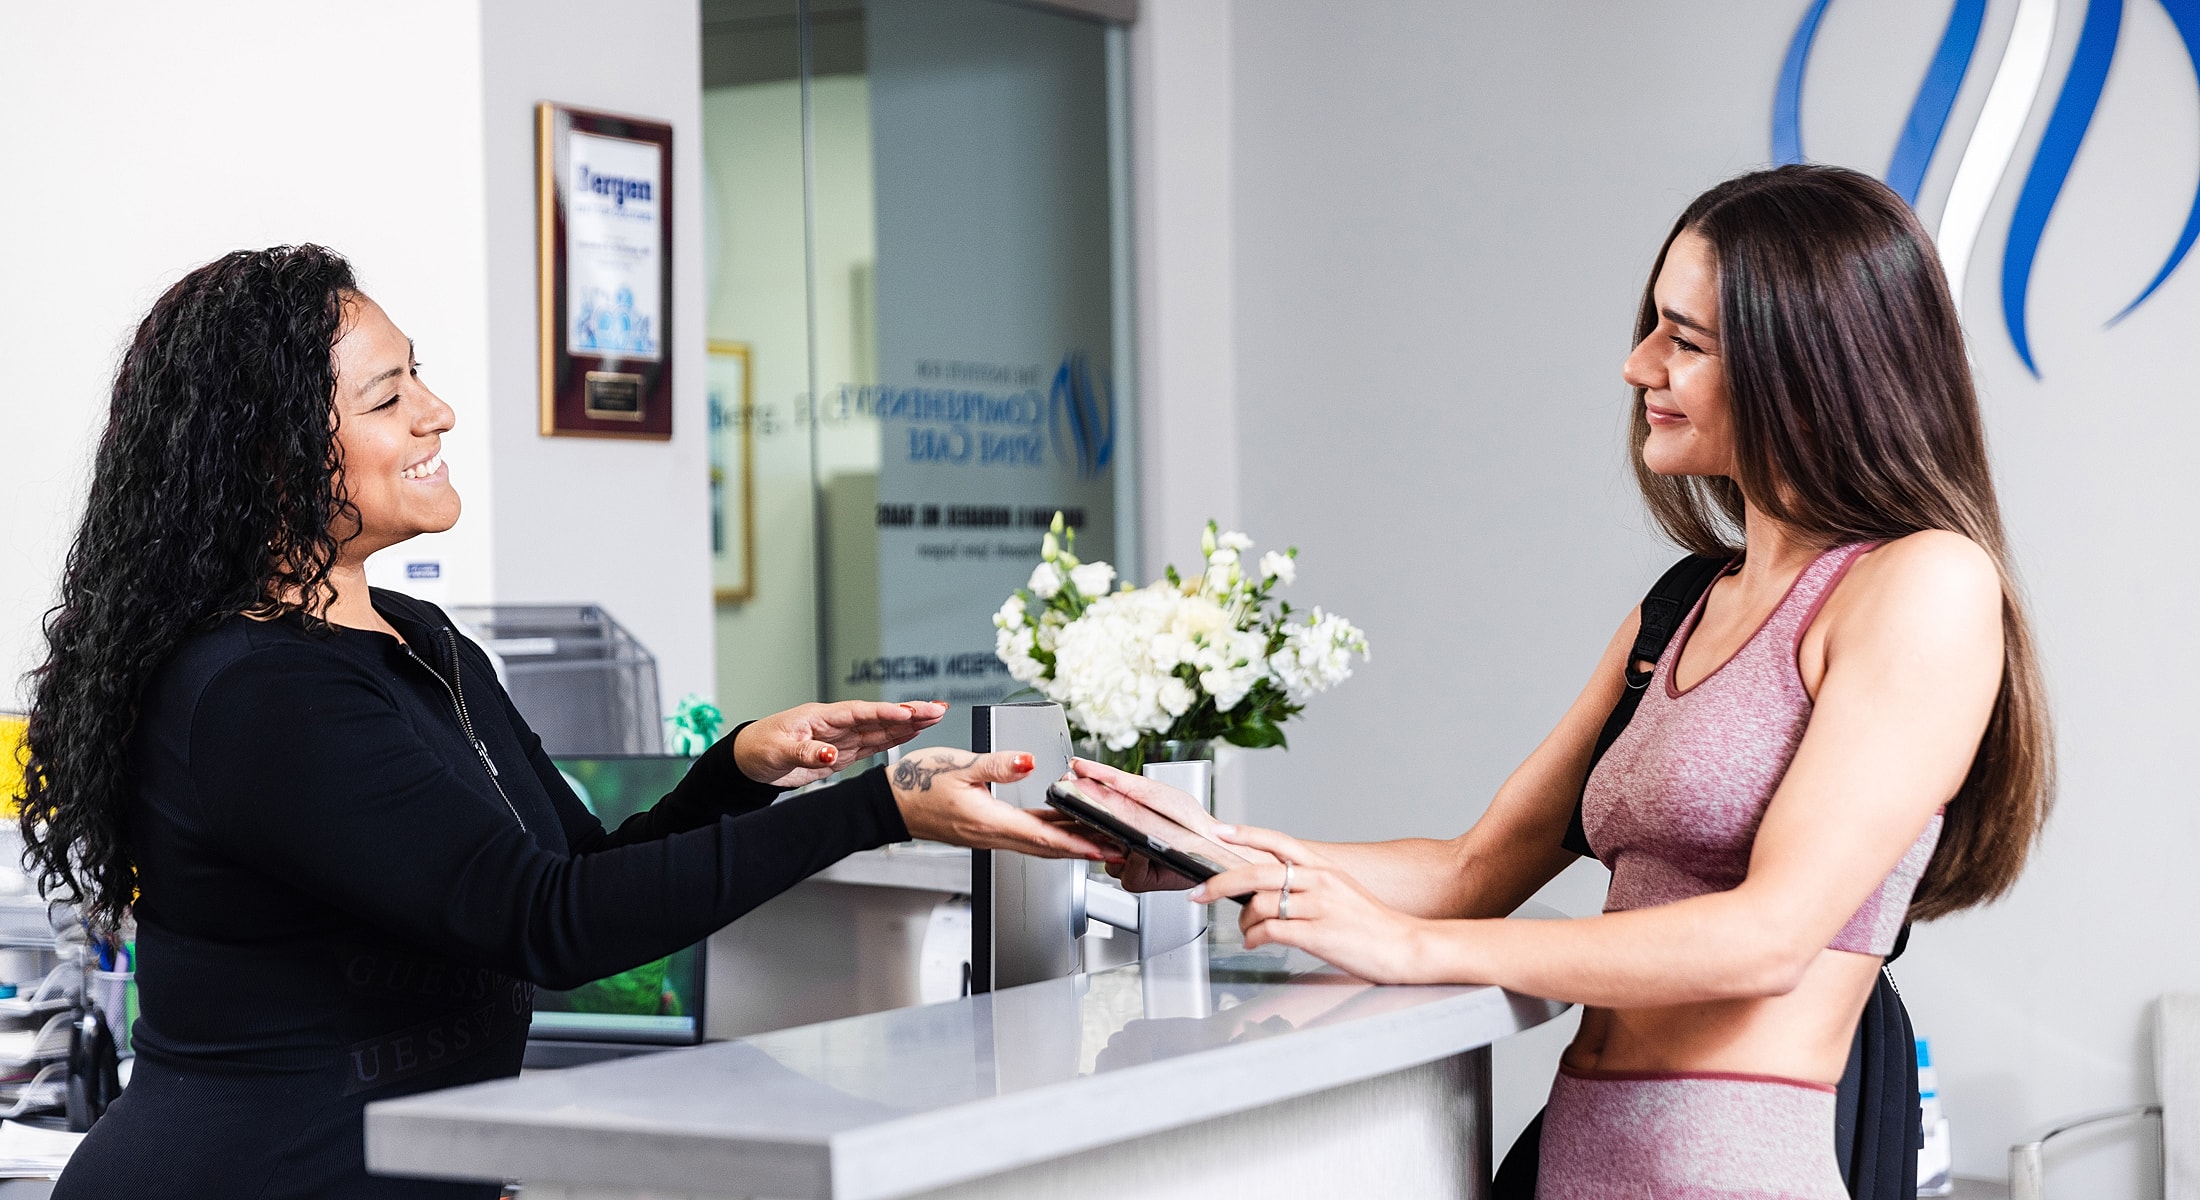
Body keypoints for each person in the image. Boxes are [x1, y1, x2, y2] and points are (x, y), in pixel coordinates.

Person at [14, 245, 1113, 1199]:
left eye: (421, 379)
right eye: (389, 398)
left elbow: (576, 873)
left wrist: (738, 771)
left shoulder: (418, 638)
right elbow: (549, 924)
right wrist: (877, 810)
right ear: (268, 455)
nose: (437, 413)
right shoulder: (256, 693)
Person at [1076, 164, 2052, 1199]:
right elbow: (1470, 869)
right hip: (1576, 1162)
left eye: (1683, 340)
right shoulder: (1680, 606)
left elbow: (1768, 938)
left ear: (1806, 368)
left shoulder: (1921, 585)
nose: (1638, 366)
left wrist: (1420, 951)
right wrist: (1213, 850)